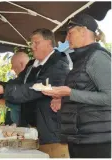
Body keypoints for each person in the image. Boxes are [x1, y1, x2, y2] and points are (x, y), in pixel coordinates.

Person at [0, 28, 71, 158]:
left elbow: (35, 90)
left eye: (36, 42)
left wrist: (3, 90)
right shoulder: (32, 65)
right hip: (29, 133)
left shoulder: (58, 64)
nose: (32, 47)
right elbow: (17, 84)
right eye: (31, 43)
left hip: (51, 134)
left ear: (49, 43)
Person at [42, 14, 111, 158]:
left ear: (83, 31)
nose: (67, 39)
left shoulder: (98, 57)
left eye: (70, 33)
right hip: (80, 139)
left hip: (96, 142)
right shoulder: (82, 59)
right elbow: (85, 93)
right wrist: (64, 100)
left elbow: (109, 97)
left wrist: (69, 93)